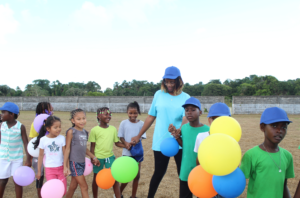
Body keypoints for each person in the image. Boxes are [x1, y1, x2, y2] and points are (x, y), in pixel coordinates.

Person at [131, 66, 190, 198]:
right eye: (167, 81)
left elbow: (186, 118)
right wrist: (139, 135)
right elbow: (151, 116)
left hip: (180, 142)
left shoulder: (186, 97)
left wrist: (178, 131)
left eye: (172, 81)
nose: (169, 84)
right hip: (160, 142)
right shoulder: (158, 94)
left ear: (179, 81)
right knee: (159, 173)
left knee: (183, 173)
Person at [240, 107, 294, 198]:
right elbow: (237, 183)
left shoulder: (287, 156)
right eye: (274, 126)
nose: (279, 131)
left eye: (284, 127)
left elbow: (284, 186)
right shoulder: (251, 155)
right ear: (262, 127)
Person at [169, 97, 209, 198]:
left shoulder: (208, 130)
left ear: (200, 112)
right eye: (186, 110)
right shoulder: (184, 128)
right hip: (186, 171)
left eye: (193, 110)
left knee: (203, 195)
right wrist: (176, 136)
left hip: (202, 171)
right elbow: (184, 145)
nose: (189, 112)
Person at [192, 102, 231, 198]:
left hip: (224, 181)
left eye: (222, 119)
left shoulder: (231, 138)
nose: (218, 122)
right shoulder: (201, 136)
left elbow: (233, 163)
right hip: (206, 181)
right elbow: (198, 162)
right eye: (215, 119)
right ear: (209, 120)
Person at [64, 109, 100, 198]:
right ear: (73, 121)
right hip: (74, 163)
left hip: (82, 162)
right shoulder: (71, 132)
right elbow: (67, 149)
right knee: (84, 186)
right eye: (78, 119)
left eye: (84, 118)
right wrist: (65, 166)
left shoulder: (85, 132)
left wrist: (93, 157)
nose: (82, 121)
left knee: (73, 186)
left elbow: (84, 148)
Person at [89, 107, 124, 198]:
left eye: (109, 114)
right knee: (96, 178)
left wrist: (126, 145)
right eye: (105, 114)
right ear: (98, 116)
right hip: (98, 158)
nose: (108, 116)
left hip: (110, 157)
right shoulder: (94, 130)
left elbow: (116, 143)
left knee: (114, 178)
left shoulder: (113, 129)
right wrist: (93, 158)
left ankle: (118, 196)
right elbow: (92, 145)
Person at [0, 102, 31, 198]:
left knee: (17, 181)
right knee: (2, 180)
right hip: (3, 158)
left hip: (16, 159)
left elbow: (26, 143)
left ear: (11, 114)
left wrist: (28, 159)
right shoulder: (1, 125)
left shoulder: (20, 127)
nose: (1, 114)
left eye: (3, 112)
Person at [118, 101, 146, 198]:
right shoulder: (123, 123)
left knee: (137, 176)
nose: (133, 115)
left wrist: (135, 141)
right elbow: (120, 136)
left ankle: (133, 196)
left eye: (135, 113)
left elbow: (141, 136)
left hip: (137, 153)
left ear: (138, 112)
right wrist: (125, 143)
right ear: (127, 112)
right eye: (130, 113)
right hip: (127, 153)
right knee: (127, 176)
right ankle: (118, 193)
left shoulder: (142, 123)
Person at [33, 116, 67, 195]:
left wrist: (65, 167)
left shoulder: (62, 138)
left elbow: (65, 154)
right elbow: (40, 156)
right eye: (55, 127)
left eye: (59, 127)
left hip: (61, 168)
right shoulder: (43, 140)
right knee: (53, 190)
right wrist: (39, 171)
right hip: (49, 169)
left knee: (63, 191)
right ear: (48, 129)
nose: (58, 129)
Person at [29, 102, 53, 198]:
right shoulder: (35, 123)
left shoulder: (52, 121)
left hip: (51, 154)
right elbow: (33, 141)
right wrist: (30, 157)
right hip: (38, 154)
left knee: (50, 175)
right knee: (40, 176)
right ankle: (40, 195)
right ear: (44, 110)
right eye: (50, 107)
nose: (52, 108)